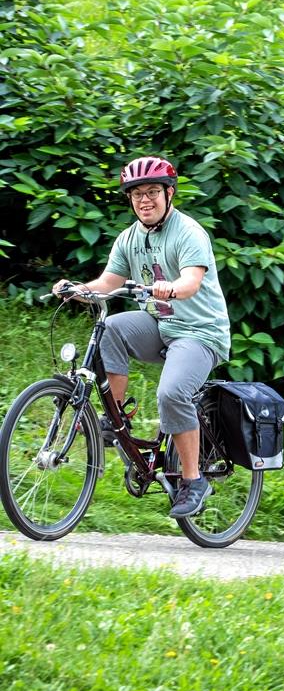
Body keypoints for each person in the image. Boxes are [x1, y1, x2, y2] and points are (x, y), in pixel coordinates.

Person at [52, 156, 231, 519]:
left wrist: (172, 288)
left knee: (171, 393)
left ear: (169, 194)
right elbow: (108, 283)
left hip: (200, 332)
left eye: (152, 192)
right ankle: (116, 420)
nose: (144, 200)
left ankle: (193, 481)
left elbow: (191, 281)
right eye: (137, 194)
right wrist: (77, 289)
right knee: (112, 328)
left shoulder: (189, 232)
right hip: (161, 327)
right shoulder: (129, 238)